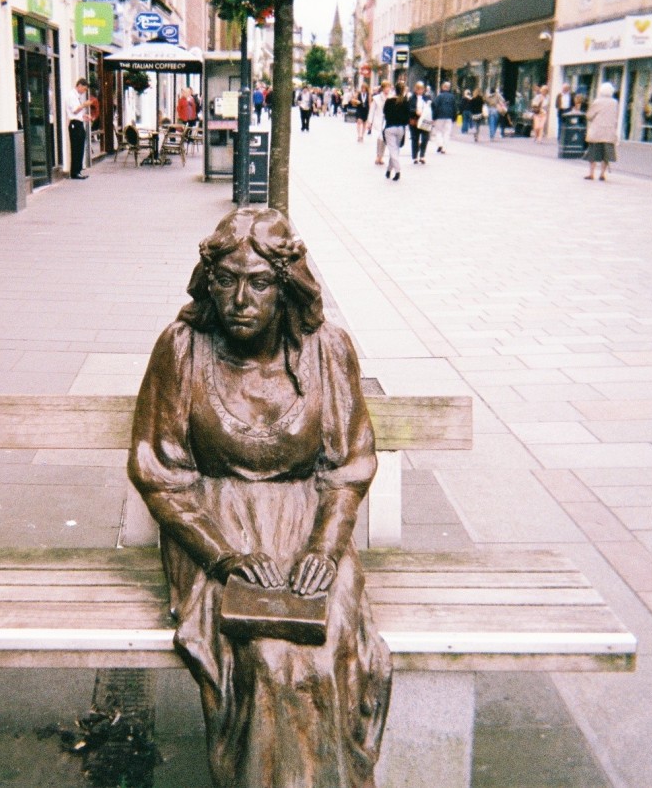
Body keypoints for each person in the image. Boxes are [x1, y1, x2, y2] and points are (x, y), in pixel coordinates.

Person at [129, 207, 392, 788]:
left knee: (327, 649)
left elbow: (349, 467)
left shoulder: (328, 350)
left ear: (286, 286)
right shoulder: (181, 350)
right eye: (226, 280)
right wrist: (222, 556)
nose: (239, 299)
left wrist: (325, 551)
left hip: (310, 524)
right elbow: (158, 472)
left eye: (259, 282)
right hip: (213, 527)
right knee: (266, 656)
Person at [583, 81, 619, 181]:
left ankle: (591, 173)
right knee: (606, 154)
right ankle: (602, 174)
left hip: (597, 131)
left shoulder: (597, 102)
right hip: (609, 131)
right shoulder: (615, 102)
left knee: (593, 154)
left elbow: (589, 115)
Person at [65, 78, 95, 180]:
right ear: (79, 86)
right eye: (84, 89)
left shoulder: (76, 96)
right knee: (76, 148)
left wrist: (85, 116)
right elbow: (74, 111)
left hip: (78, 123)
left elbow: (77, 113)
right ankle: (75, 172)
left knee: (80, 147)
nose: (84, 92)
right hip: (75, 124)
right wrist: (84, 105)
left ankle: (77, 170)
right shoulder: (72, 96)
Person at [382, 81, 409, 181]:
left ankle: (397, 171)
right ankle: (389, 170)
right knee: (395, 150)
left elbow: (385, 113)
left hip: (390, 127)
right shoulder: (405, 102)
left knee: (393, 150)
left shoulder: (389, 101)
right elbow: (407, 117)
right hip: (400, 128)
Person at [408, 81, 432, 164]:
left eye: (421, 89)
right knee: (415, 138)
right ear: (415, 89)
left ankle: (422, 155)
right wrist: (415, 111)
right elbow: (409, 109)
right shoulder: (411, 98)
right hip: (415, 120)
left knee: (425, 138)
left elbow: (431, 108)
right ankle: (415, 156)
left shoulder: (427, 98)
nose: (419, 91)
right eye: (418, 89)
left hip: (425, 120)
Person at [368, 81, 392, 164]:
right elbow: (372, 110)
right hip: (378, 120)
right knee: (379, 138)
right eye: (386, 87)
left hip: (388, 120)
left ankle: (381, 156)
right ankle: (378, 156)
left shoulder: (391, 97)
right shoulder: (376, 98)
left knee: (384, 139)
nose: (387, 89)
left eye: (389, 87)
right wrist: (369, 122)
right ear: (382, 88)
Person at [431, 81, 458, 153]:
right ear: (449, 88)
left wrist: (433, 117)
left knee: (438, 131)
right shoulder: (452, 97)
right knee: (447, 132)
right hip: (449, 116)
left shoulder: (439, 96)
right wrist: (454, 117)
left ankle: (440, 144)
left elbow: (435, 106)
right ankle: (444, 148)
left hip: (439, 116)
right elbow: (455, 108)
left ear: (443, 87)